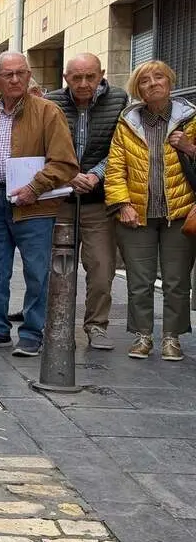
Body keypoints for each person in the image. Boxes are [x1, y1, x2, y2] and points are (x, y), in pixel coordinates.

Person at [0, 52, 78, 356]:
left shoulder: (48, 112)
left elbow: (66, 163)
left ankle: (32, 332)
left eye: (20, 73)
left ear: (28, 76)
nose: (15, 79)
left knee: (37, 271)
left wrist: (34, 187)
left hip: (35, 204)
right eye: (8, 74)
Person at [105, 60, 196, 361]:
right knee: (139, 280)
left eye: (159, 78)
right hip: (137, 214)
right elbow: (115, 168)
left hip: (180, 213)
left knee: (176, 280)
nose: (153, 83)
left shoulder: (191, 119)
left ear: (170, 82)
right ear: (137, 89)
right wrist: (121, 204)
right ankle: (142, 336)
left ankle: (172, 337)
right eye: (145, 80)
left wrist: (190, 148)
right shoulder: (127, 122)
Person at [44, 53, 128, 351]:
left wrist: (95, 175)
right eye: (76, 77)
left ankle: (96, 326)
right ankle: (54, 322)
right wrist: (68, 176)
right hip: (60, 200)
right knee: (55, 267)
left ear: (101, 74)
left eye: (89, 77)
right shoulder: (51, 101)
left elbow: (122, 146)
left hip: (98, 201)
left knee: (101, 268)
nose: (83, 83)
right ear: (66, 77)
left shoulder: (119, 101)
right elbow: (43, 147)